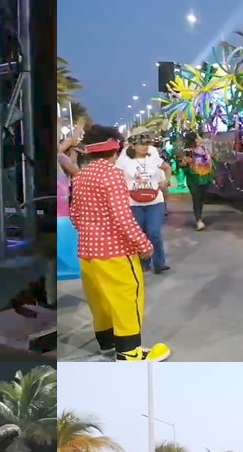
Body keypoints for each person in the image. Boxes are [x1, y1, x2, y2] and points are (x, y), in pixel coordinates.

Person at [70, 124, 169, 362]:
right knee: (127, 299)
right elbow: (122, 217)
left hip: (87, 252)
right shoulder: (112, 174)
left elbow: (74, 214)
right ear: (115, 150)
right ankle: (129, 352)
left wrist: (91, 234)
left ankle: (108, 344)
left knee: (100, 301)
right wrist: (143, 244)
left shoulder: (81, 175)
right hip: (116, 252)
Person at [115, 135, 171, 274]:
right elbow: (115, 177)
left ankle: (159, 263)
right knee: (139, 233)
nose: (145, 146)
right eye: (141, 144)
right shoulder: (123, 161)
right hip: (133, 202)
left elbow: (167, 168)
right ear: (133, 146)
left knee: (154, 232)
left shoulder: (153, 157)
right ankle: (142, 262)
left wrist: (166, 181)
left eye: (147, 143)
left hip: (155, 200)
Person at [176, 131, 212, 230]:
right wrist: (184, 164)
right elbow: (182, 166)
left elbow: (210, 162)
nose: (201, 138)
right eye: (198, 136)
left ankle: (199, 216)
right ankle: (198, 220)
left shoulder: (205, 149)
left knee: (202, 199)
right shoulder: (188, 152)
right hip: (194, 179)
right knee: (196, 198)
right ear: (194, 140)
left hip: (205, 177)